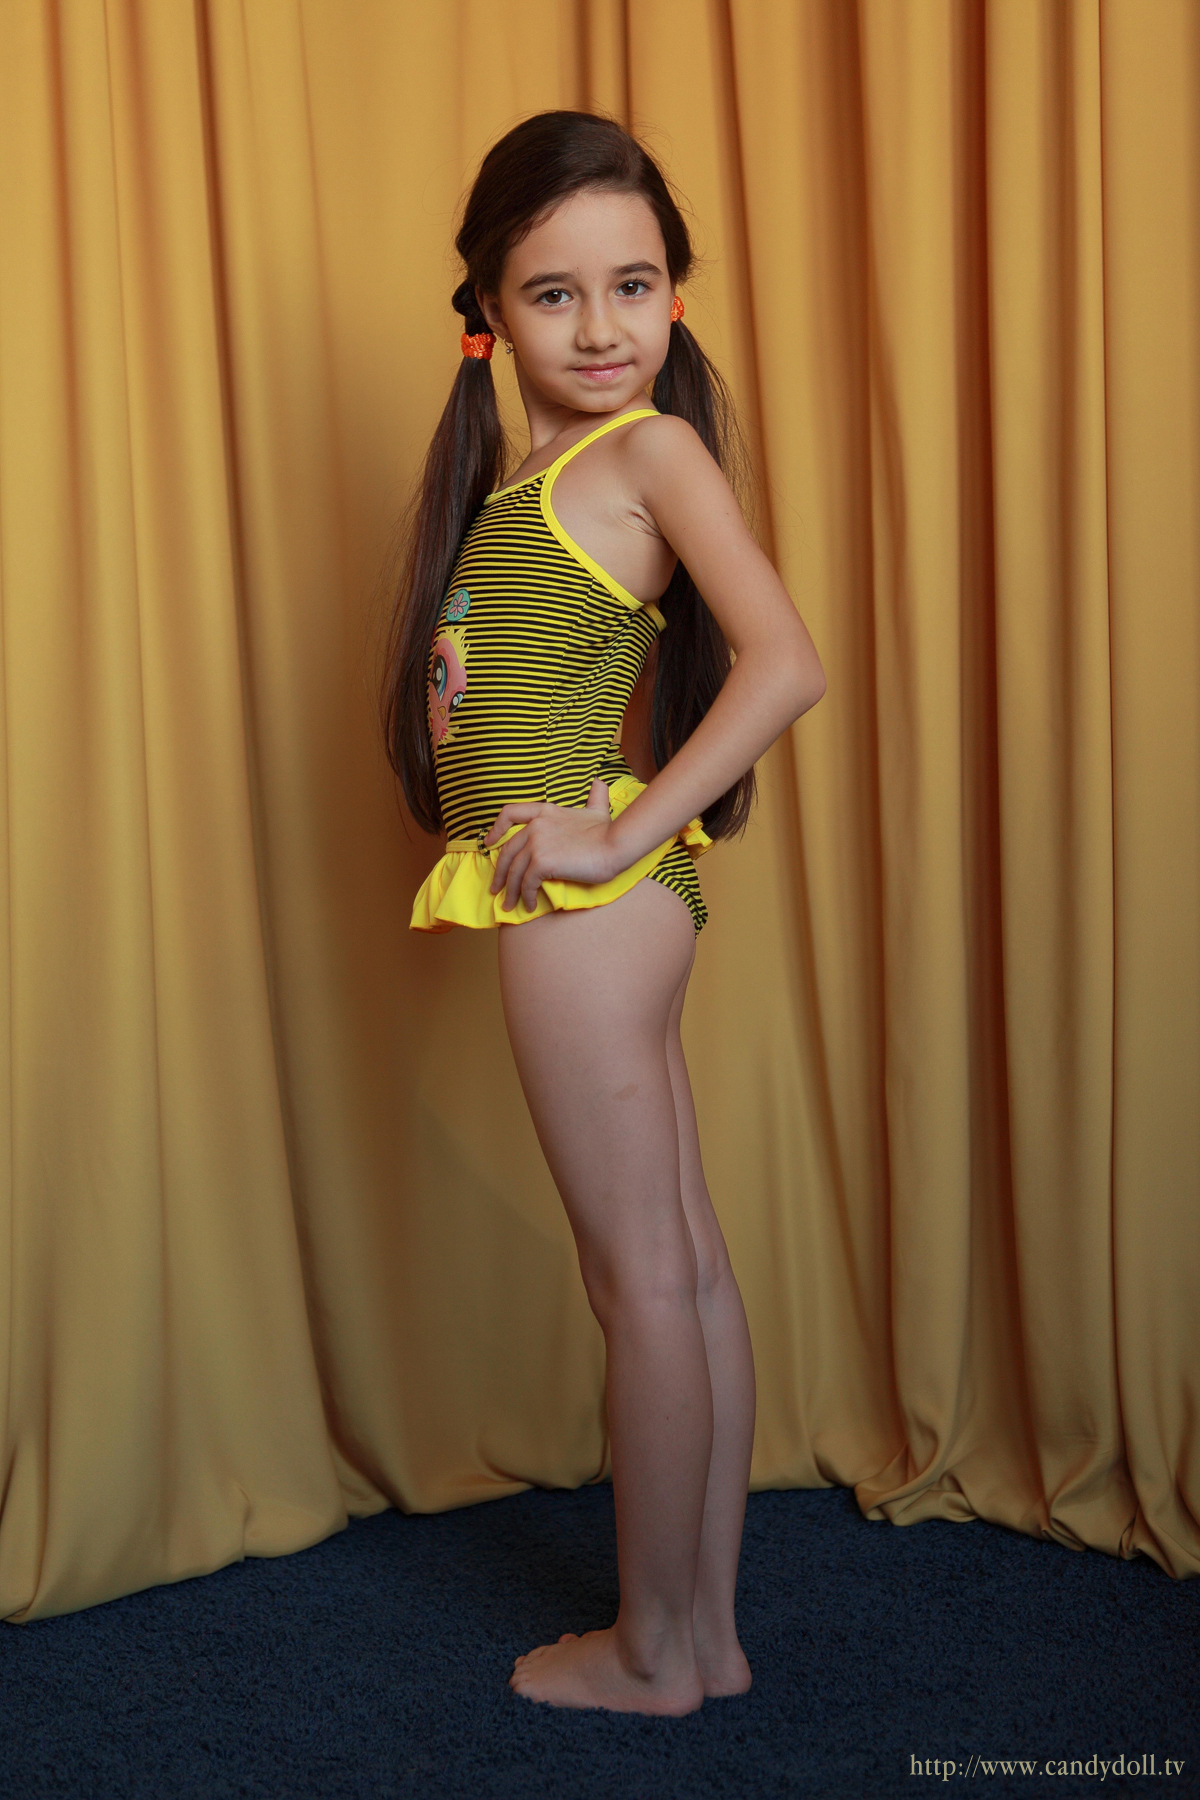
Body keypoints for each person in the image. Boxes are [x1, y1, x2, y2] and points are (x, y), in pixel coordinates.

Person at [382, 111, 825, 1716]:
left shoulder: (648, 452)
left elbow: (786, 662)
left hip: (593, 914)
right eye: (554, 293)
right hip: (612, 912)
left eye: (632, 286)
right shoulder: (540, 474)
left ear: (676, 297)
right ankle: (703, 1636)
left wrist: (621, 827)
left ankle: (650, 1653)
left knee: (639, 1278)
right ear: (489, 312)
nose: (600, 328)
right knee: (679, 1266)